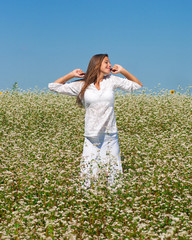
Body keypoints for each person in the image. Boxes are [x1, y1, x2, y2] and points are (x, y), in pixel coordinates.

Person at [48, 54, 143, 189]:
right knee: (88, 171)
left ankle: (113, 199)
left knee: (113, 171)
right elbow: (53, 86)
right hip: (91, 135)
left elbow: (137, 85)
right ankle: (88, 198)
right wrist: (71, 75)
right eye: (106, 62)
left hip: (110, 133)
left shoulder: (111, 80)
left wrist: (123, 71)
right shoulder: (82, 85)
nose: (110, 65)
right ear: (97, 65)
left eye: (109, 62)